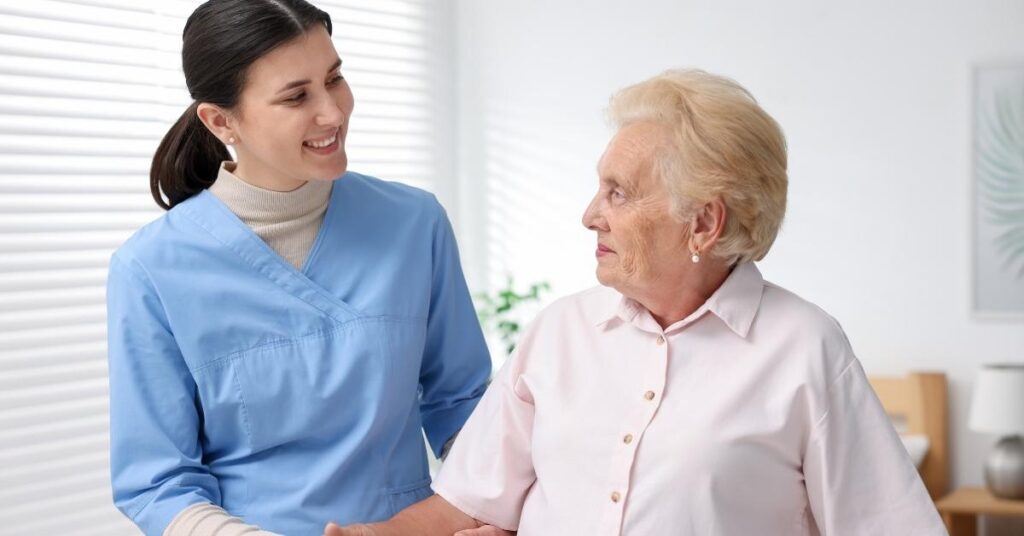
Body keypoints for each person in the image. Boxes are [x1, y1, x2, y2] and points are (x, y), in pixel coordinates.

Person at [326, 69, 946, 535]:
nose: (590, 215)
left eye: (618, 193)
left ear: (703, 223)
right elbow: (464, 502)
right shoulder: (559, 332)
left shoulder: (804, 348)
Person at [105, 1, 490, 534]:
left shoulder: (414, 223)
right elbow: (158, 482)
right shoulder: (151, 269)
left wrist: (489, 506)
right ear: (221, 121)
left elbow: (463, 406)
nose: (332, 113)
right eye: (296, 96)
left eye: (334, 79)